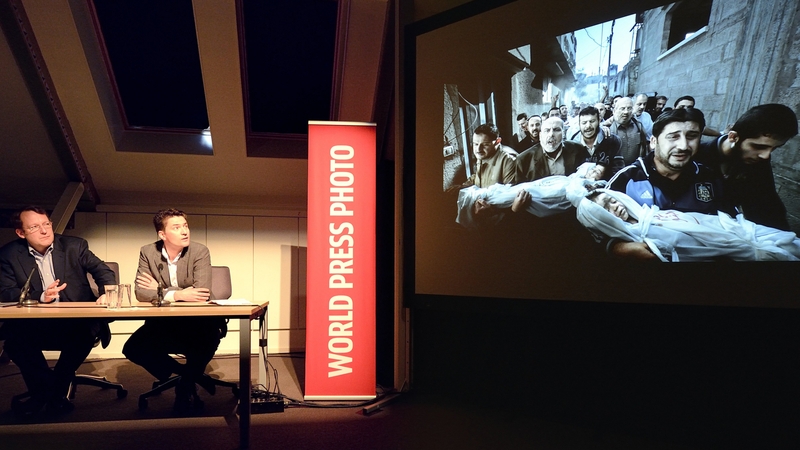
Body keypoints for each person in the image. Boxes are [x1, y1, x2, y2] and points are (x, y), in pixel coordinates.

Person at [0, 206, 116, 416]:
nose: (44, 231)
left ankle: (44, 395)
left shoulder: (74, 246)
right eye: (34, 227)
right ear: (21, 232)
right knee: (15, 342)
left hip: (76, 322)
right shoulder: (9, 254)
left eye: (46, 224)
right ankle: (53, 394)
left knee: (83, 335)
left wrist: (107, 293)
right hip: (36, 323)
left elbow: (103, 271)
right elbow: (6, 292)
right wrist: (40, 296)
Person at [122, 208, 224, 412]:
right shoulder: (148, 252)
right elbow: (141, 293)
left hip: (199, 322)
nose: (184, 231)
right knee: (133, 348)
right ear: (162, 234)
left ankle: (185, 387)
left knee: (205, 342)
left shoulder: (199, 251)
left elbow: (201, 292)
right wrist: (179, 294)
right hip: (164, 322)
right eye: (176, 228)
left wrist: (161, 290)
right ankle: (191, 375)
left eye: (185, 226)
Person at [575, 189, 800, 262]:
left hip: (732, 228)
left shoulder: (647, 213)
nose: (615, 206)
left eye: (612, 200)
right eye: (605, 209)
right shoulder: (632, 239)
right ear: (599, 220)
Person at [608, 107, 731, 216]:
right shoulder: (627, 178)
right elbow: (603, 220)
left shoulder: (711, 179)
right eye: (673, 137)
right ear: (654, 142)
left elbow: (733, 224)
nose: (683, 146)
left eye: (692, 136)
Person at [695, 103, 799, 230]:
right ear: (733, 137)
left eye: (774, 148)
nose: (765, 155)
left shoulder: (758, 162)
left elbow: (768, 207)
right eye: (759, 146)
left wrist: (779, 238)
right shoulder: (696, 155)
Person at [516, 116, 589, 183]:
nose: (551, 134)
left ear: (563, 133)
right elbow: (519, 188)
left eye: (556, 130)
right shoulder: (524, 160)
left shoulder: (577, 149)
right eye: (547, 130)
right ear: (540, 135)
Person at [568, 106, 625, 179]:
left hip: (607, 184)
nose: (588, 126)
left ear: (599, 121)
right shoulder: (572, 144)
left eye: (592, 121)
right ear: (579, 124)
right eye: (584, 123)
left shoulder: (612, 140)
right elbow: (569, 173)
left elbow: (618, 171)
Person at [608, 96, 649, 165]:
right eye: (622, 108)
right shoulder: (608, 129)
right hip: (615, 169)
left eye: (629, 108)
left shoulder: (639, 126)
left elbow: (644, 148)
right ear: (614, 111)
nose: (626, 112)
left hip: (635, 168)